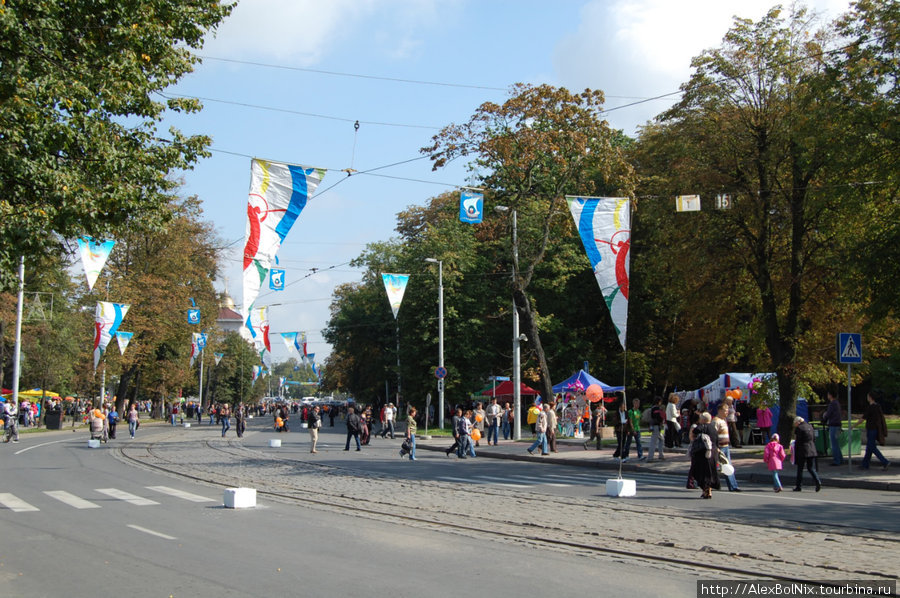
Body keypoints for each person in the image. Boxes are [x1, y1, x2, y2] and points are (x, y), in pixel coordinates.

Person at [857, 391, 890, 471]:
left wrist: (854, 425)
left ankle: (885, 461)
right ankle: (865, 464)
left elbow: (863, 418)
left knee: (872, 447)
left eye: (868, 396)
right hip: (876, 429)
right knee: (869, 448)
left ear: (870, 397)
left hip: (871, 429)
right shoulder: (878, 406)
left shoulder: (871, 407)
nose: (867, 398)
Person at [689, 413, 720, 499]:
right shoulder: (713, 428)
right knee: (710, 472)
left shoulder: (703, 426)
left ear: (703, 420)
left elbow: (695, 431)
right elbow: (717, 440)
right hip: (713, 452)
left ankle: (706, 490)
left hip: (703, 453)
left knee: (701, 473)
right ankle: (708, 490)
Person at [714, 404, 741, 491]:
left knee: (727, 466)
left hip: (726, 446)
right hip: (719, 447)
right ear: (720, 410)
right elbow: (713, 435)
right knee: (717, 467)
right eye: (725, 411)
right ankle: (708, 483)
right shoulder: (716, 421)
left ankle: (733, 486)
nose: (727, 412)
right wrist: (716, 447)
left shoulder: (724, 420)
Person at [792, 416, 822, 491]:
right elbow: (813, 439)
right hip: (812, 449)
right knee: (811, 468)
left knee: (800, 469)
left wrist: (795, 450)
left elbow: (798, 441)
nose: (795, 425)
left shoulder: (799, 428)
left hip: (802, 450)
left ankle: (798, 486)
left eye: (795, 423)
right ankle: (817, 481)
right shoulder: (810, 426)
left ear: (798, 422)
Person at [822, 388, 844, 466]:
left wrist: (824, 419)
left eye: (828, 394)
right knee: (836, 443)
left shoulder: (832, 404)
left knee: (833, 444)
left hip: (833, 425)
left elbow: (829, 414)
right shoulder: (837, 403)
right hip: (838, 425)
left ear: (830, 395)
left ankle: (837, 460)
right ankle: (840, 459)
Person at [647, 396, 665, 460]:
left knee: (661, 439)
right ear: (659, 402)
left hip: (654, 425)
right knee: (653, 442)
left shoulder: (652, 408)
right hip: (657, 426)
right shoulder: (657, 409)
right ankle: (650, 457)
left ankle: (661, 455)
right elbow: (658, 417)